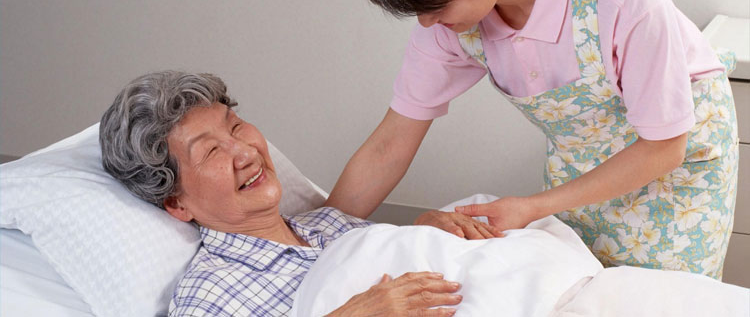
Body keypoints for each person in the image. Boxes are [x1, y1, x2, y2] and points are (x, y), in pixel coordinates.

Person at [325, 0, 739, 279]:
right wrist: (318, 236)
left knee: (661, 297)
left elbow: (664, 147)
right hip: (579, 169)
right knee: (580, 290)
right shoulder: (450, 24)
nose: (425, 21)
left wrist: (533, 206)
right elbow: (389, 145)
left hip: (675, 167)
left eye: (436, 5)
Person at [99, 70, 483, 316]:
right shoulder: (210, 295)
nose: (245, 153)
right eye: (211, 151)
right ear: (176, 203)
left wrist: (427, 234)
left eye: (235, 127)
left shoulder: (330, 223)